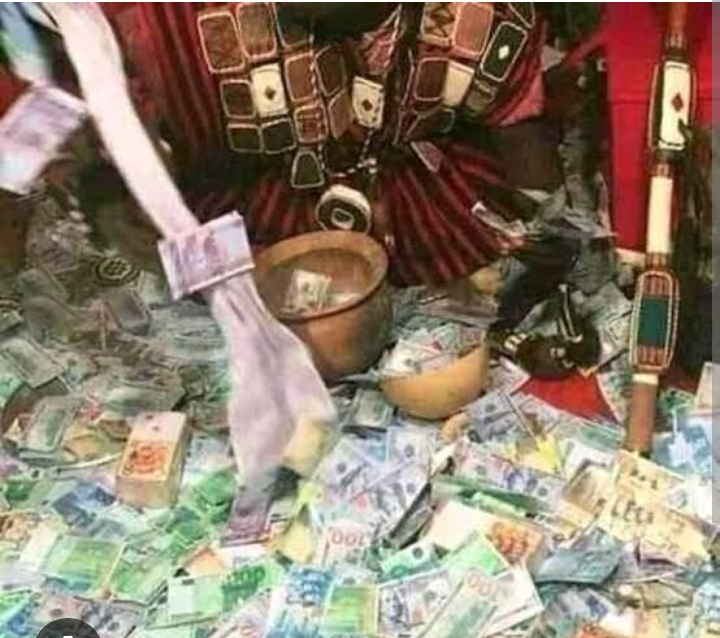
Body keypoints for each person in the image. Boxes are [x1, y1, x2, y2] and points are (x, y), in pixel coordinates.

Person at [1, 2, 567, 290]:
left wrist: (542, 218)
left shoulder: (482, 13)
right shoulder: (168, 19)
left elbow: (517, 122)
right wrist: (110, 197)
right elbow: (93, 109)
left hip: (421, 196)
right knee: (203, 274)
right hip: (254, 203)